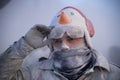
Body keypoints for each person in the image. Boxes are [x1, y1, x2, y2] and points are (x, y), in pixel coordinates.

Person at [0, 6, 120, 80]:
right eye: (57, 41)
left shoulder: (114, 75)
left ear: (86, 40)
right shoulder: (34, 73)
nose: (64, 47)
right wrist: (24, 45)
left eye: (71, 39)